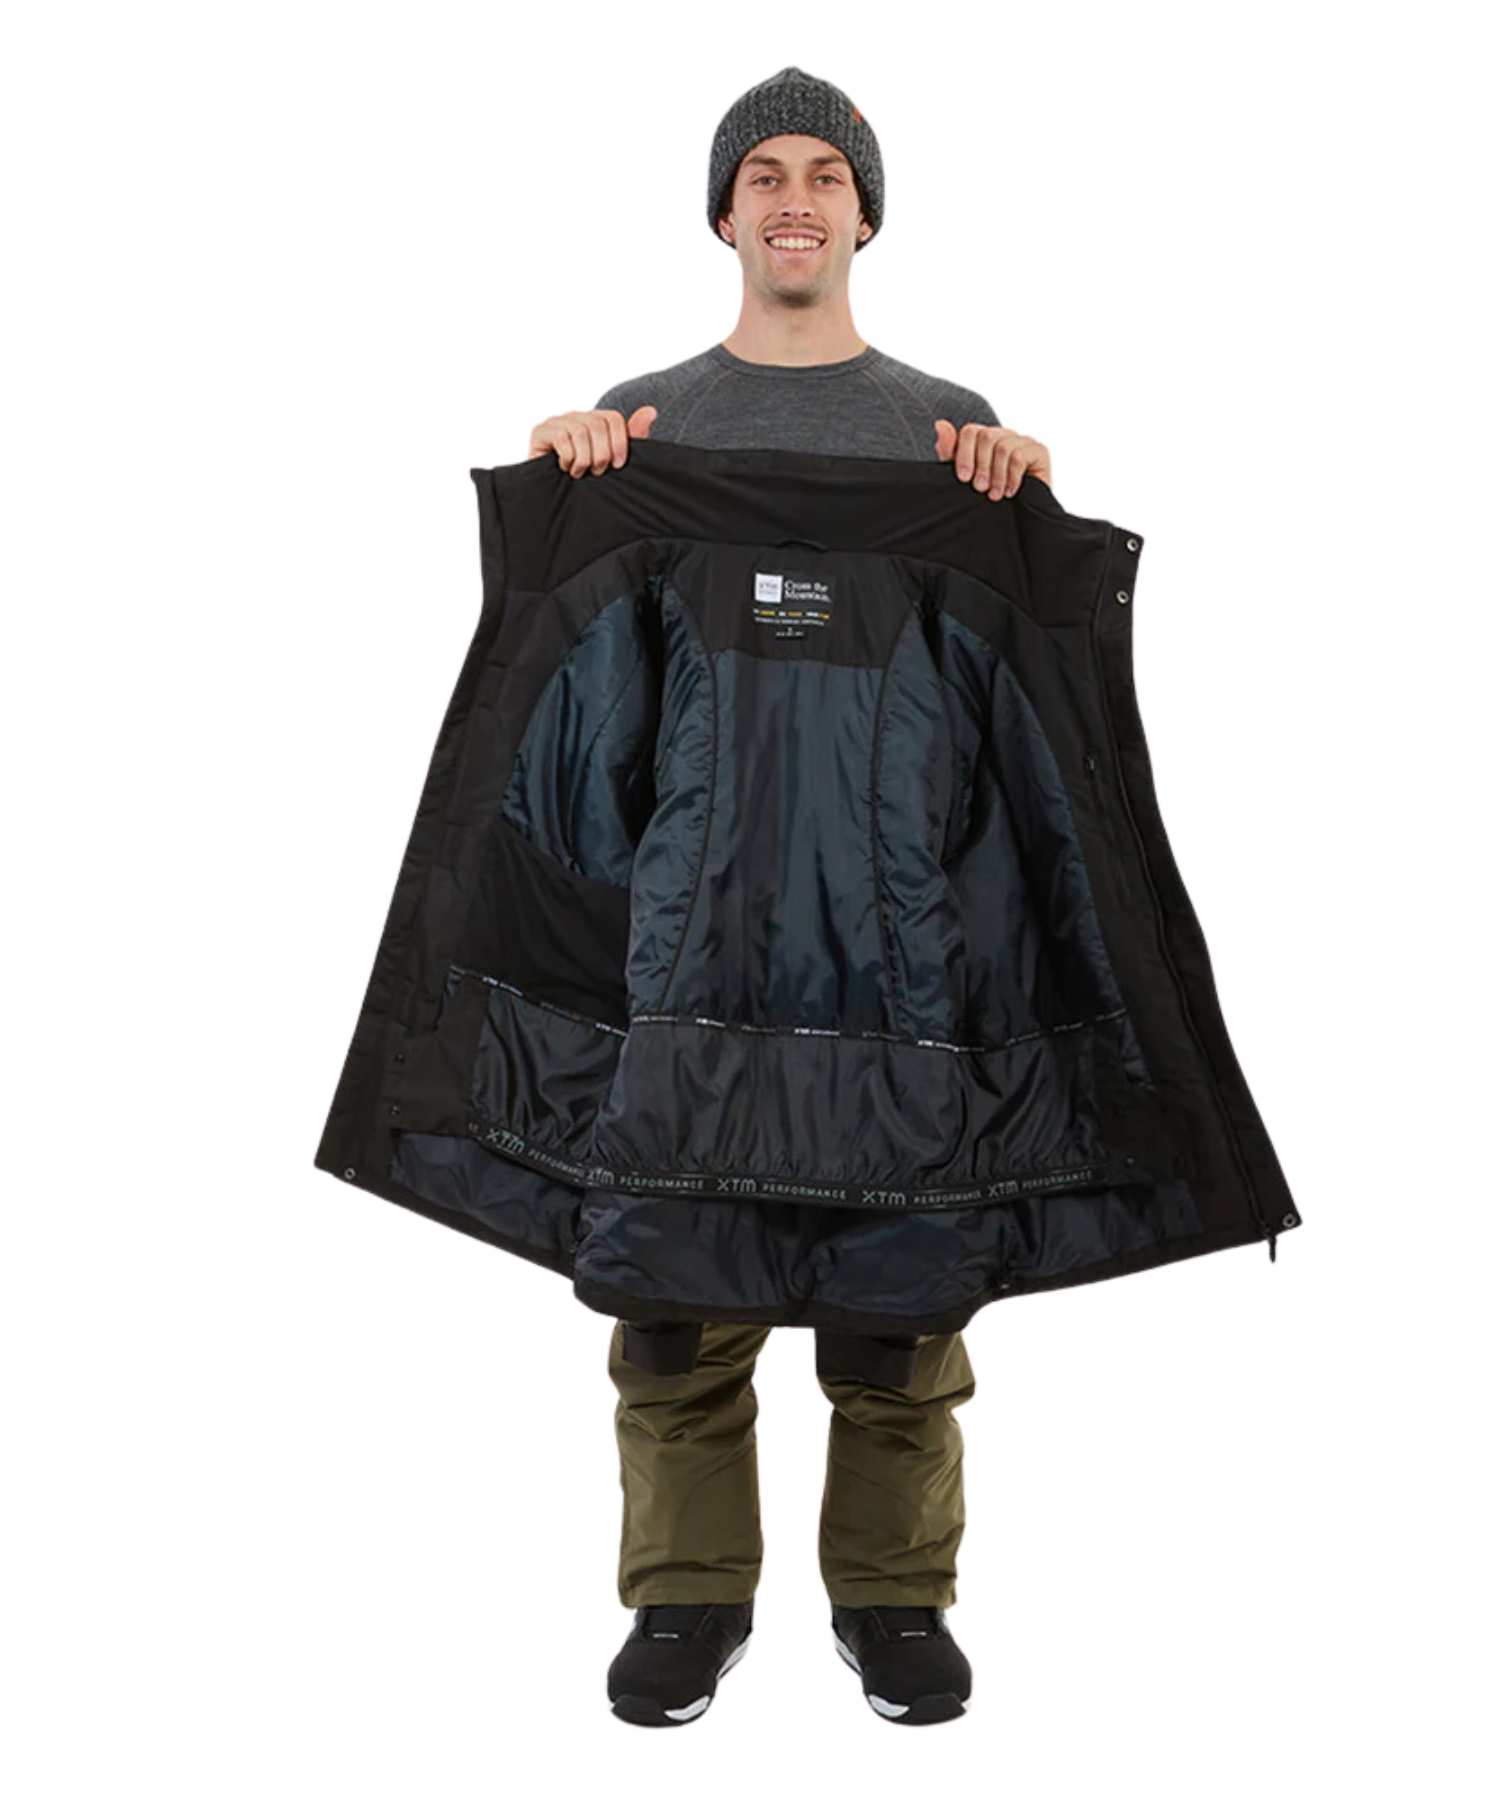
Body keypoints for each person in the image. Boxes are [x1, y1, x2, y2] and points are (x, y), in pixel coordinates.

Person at [525, 67, 1054, 1729]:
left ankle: (894, 1601)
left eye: (827, 172)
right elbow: (575, 718)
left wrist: (1027, 504)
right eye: (765, 174)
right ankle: (688, 1598)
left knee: (904, 1302)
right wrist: (566, 500)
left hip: (902, 953)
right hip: (695, 939)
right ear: (726, 213)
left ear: (865, 214)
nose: (797, 198)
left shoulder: (946, 433)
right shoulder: (646, 428)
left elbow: (1025, 708)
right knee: (676, 1291)